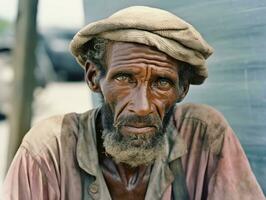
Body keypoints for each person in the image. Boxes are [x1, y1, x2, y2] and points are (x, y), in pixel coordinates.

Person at [3, 6, 265, 200]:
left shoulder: (203, 135)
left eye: (162, 83)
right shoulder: (49, 151)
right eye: (125, 78)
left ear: (182, 89)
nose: (142, 106)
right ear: (94, 78)